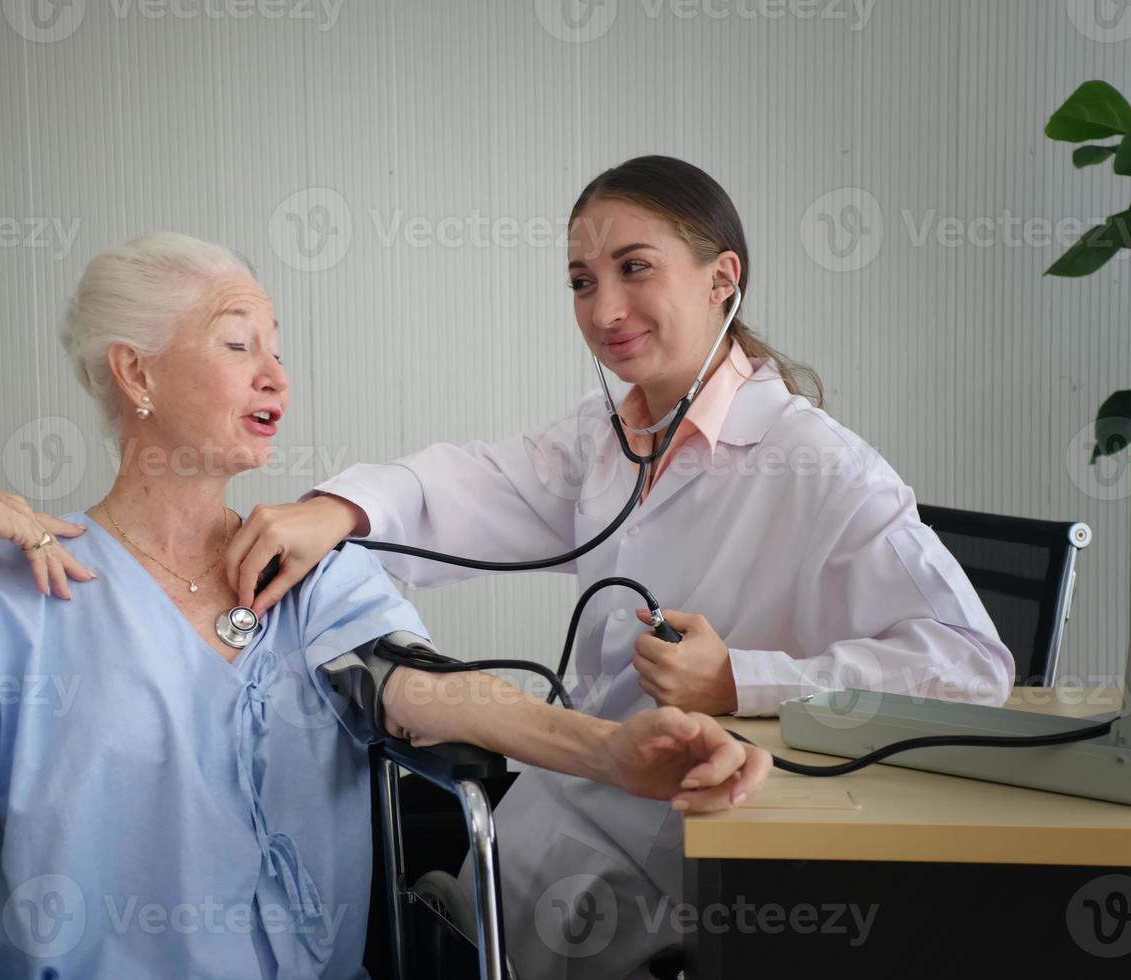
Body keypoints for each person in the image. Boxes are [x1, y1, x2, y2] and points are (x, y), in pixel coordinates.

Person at [0, 231, 772, 979]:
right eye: (238, 344)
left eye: (277, 350)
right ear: (136, 373)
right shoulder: (24, 583)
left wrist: (609, 752)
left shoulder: (304, 569)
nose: (276, 375)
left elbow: (421, 694)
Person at [221, 157, 1014, 977]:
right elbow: (466, 483)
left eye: (635, 268)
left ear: (721, 278)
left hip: (703, 852)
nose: (604, 310)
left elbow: (971, 666)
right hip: (570, 809)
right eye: (580, 281)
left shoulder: (818, 465)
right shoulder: (610, 441)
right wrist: (338, 511)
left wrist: (741, 679)